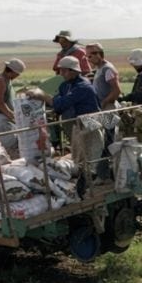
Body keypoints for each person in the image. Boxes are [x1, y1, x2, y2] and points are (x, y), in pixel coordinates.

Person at [32, 56, 104, 190]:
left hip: (91, 122)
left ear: (74, 71)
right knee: (78, 155)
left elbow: (61, 102)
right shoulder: (65, 86)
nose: (62, 74)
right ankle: (83, 183)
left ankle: (90, 183)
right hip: (78, 124)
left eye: (64, 71)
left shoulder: (83, 87)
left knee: (91, 154)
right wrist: (54, 109)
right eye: (61, 71)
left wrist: (42, 95)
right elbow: (59, 103)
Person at [86, 43, 121, 179]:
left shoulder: (107, 69)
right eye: (87, 56)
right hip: (103, 109)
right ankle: (105, 172)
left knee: (109, 140)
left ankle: (109, 173)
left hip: (108, 109)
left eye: (91, 55)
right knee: (104, 140)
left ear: (99, 54)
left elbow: (116, 90)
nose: (89, 59)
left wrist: (103, 102)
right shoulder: (100, 69)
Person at [0, 58, 26, 158]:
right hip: (1, 118)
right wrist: (12, 115)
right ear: (12, 71)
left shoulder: (7, 80)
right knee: (9, 145)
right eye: (17, 74)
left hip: (6, 117)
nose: (17, 76)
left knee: (15, 143)